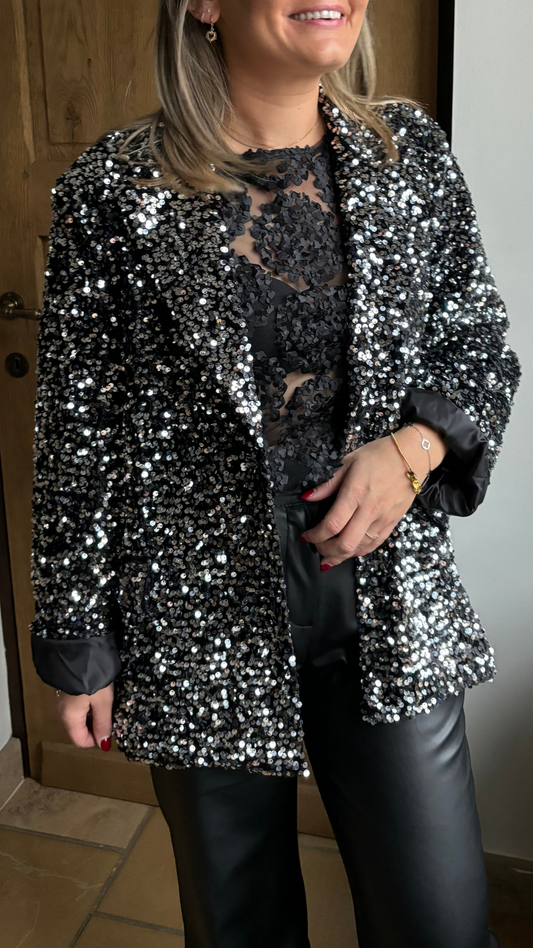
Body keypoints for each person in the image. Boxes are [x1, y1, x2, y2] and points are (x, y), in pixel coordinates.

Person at [29, 1, 521, 946]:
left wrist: (412, 451)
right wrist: (78, 635)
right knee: (238, 922)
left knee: (440, 922)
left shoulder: (408, 151)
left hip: (385, 590)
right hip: (194, 607)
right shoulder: (113, 187)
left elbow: (477, 346)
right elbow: (78, 427)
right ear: (205, 4)